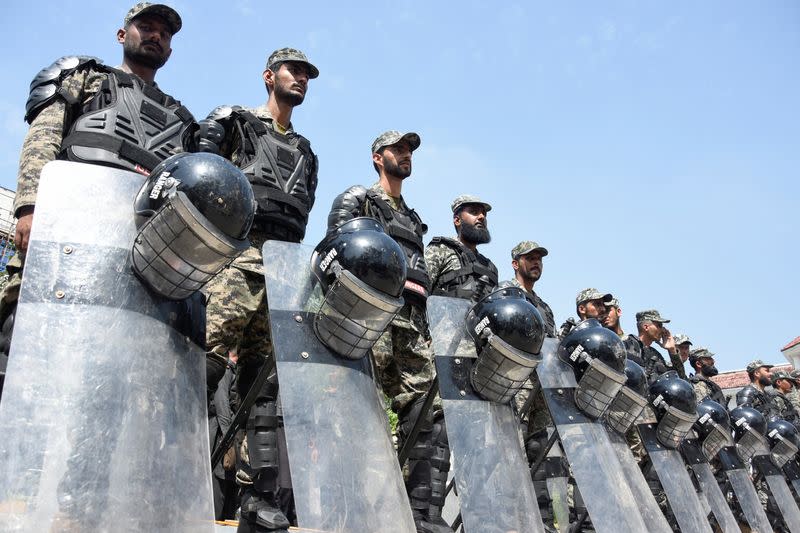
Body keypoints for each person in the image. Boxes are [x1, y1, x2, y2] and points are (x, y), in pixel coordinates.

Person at [0, 2, 191, 360]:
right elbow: (44, 136)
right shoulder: (87, 77)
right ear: (122, 35)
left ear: (170, 49)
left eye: (164, 34)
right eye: (146, 27)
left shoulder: (181, 119)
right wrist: (29, 205)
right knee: (25, 338)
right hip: (69, 229)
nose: (156, 36)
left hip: (136, 250)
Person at [197, 47, 319, 533]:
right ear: (269, 76)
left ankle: (256, 497)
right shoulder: (236, 121)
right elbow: (202, 175)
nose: (303, 80)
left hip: (282, 270)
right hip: (236, 257)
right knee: (202, 364)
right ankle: (163, 464)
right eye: (295, 71)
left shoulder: (307, 151)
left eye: (309, 75)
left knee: (263, 388)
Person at [326, 131, 450, 533]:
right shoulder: (359, 199)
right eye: (398, 149)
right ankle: (351, 507)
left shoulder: (414, 220)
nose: (406, 155)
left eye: (410, 150)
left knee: (426, 415)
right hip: (370, 313)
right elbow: (337, 250)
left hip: (412, 323)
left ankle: (417, 515)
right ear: (378, 158)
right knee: (364, 408)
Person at [425, 195, 497, 302]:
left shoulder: (490, 268)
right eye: (474, 212)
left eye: (484, 214)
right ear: (457, 220)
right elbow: (421, 291)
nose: (482, 217)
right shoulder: (440, 250)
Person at [498, 241, 555, 337]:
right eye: (530, 258)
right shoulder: (505, 293)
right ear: (515, 264)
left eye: (539, 259)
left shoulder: (545, 309)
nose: (536, 262)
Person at [210, 354, 241, 520]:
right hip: (223, 437)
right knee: (220, 484)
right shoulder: (226, 369)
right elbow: (222, 405)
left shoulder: (235, 370)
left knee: (230, 486)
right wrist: (228, 438)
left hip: (230, 434)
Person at [632, 309, 686, 382]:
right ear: (646, 327)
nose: (663, 330)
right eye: (659, 326)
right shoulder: (628, 344)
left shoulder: (656, 356)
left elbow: (679, 379)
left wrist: (672, 350)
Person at [603, 297, 644, 365]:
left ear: (618, 312)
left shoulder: (635, 343)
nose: (604, 315)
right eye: (602, 312)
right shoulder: (599, 341)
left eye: (607, 310)